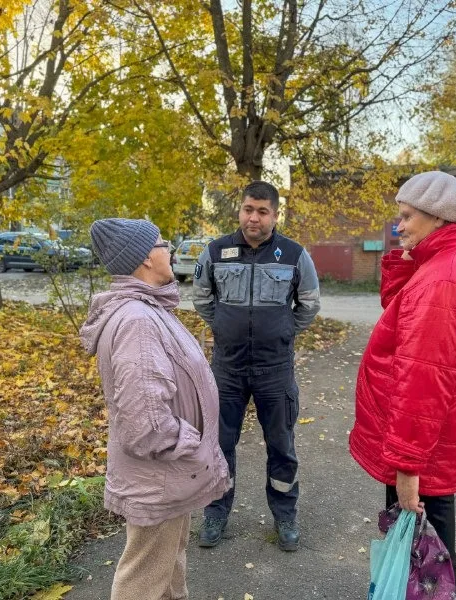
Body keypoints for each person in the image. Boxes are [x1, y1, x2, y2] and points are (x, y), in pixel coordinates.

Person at [349, 171, 456, 600]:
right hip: (430, 443)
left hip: (424, 448)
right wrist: (406, 260)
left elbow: (423, 382)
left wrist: (407, 469)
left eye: (406, 216)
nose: (398, 226)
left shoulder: (447, 278)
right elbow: (400, 312)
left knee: (430, 566)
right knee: (426, 563)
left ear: (437, 217)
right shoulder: (447, 263)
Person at [79, 218, 230, 600]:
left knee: (166, 564)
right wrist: (189, 443)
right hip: (161, 474)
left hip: (169, 473)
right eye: (164, 244)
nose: (170, 251)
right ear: (146, 257)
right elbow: (144, 422)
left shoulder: (149, 310)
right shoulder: (138, 321)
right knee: (143, 579)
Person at [193, 180, 321, 552]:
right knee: (219, 445)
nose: (254, 218)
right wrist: (222, 326)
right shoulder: (216, 252)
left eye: (263, 212)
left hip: (275, 370)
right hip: (227, 370)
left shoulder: (294, 255)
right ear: (240, 211)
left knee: (281, 445)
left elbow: (309, 304)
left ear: (275, 215)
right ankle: (215, 513)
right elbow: (201, 298)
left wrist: (283, 331)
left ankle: (285, 515)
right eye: (248, 209)